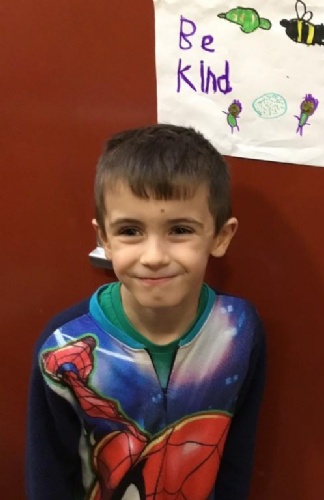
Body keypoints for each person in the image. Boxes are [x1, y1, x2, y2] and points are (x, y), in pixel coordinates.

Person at [26, 124, 267, 500]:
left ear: (220, 236)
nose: (154, 257)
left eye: (180, 230)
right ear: (104, 239)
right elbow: (49, 476)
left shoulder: (239, 330)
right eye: (130, 231)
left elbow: (237, 454)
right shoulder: (64, 347)